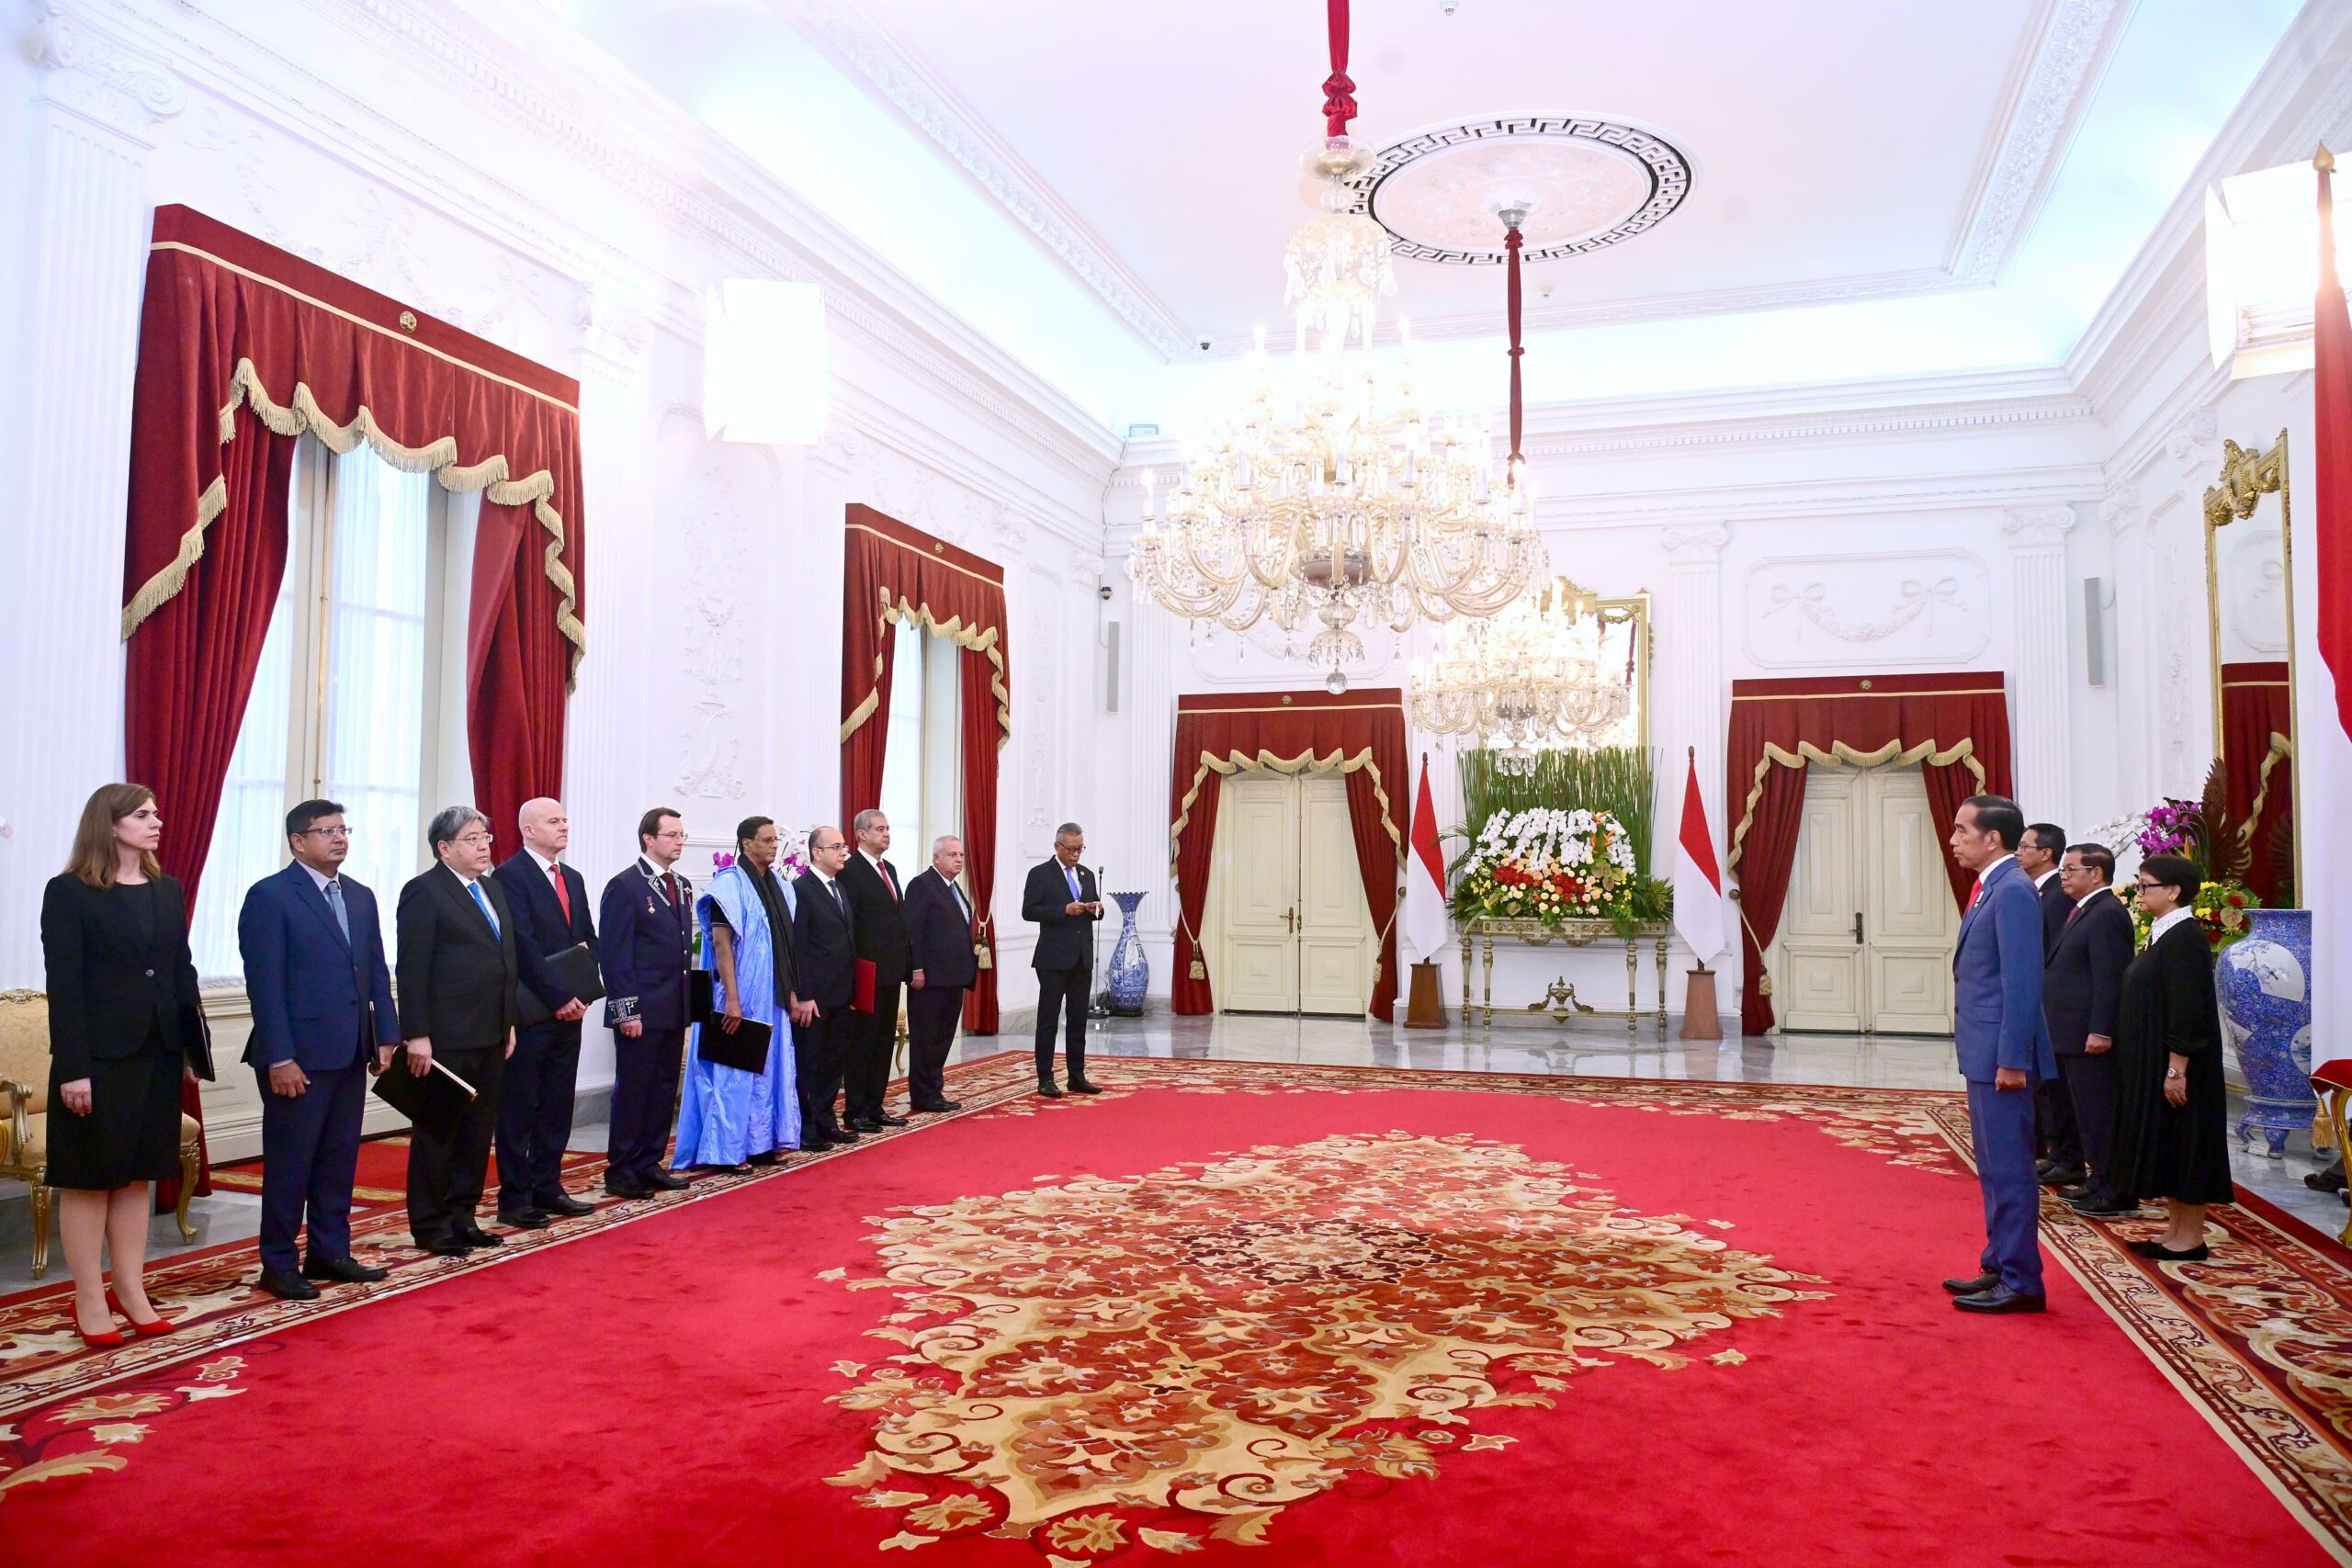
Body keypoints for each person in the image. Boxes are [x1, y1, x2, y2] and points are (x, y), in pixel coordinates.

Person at [40, 784, 213, 1346]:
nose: (156, 822)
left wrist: (191, 1048)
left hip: (158, 1053)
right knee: (92, 1179)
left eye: (156, 813)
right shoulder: (69, 893)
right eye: (142, 815)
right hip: (96, 1059)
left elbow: (180, 972)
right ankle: (89, 1297)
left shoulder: (167, 890)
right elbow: (64, 988)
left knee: (138, 1175)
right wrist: (73, 1068)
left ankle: (131, 1290)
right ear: (110, 826)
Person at [236, 798, 400, 1300]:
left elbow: (375, 970)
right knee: (291, 1164)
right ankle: (279, 1262)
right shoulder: (271, 896)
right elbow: (264, 985)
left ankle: (330, 1251)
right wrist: (280, 1057)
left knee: (337, 1158)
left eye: (343, 829)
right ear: (297, 841)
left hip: (350, 1050)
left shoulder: (360, 896)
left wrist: (386, 1034)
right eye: (325, 830)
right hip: (298, 1056)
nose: (339, 838)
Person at [1940, 794, 2057, 1314]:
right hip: (1985, 1050)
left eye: (1963, 830)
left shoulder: (2012, 891)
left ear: (1993, 838)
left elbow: (2023, 982)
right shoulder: (1994, 887)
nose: (1954, 839)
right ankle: (1999, 1263)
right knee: (1992, 1166)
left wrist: (2013, 1058)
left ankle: (2022, 1280)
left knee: (2010, 1168)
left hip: (2002, 1057)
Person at [395, 807, 520, 1257]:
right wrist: (417, 1034)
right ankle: (430, 1224)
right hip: (445, 1036)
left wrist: (508, 1021)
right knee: (438, 1131)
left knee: (476, 1132)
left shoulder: (492, 888)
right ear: (444, 848)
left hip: (491, 1032)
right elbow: (412, 969)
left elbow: (506, 959)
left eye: (485, 836)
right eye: (472, 838)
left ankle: (464, 1215)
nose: (484, 845)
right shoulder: (423, 892)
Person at [2107, 855, 2233, 1260]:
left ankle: (2191, 1238)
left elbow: (2187, 1010)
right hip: (2160, 1061)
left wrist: (2176, 1069)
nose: (2138, 893)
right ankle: (2174, 1232)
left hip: (2182, 1065)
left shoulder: (2186, 939)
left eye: (2146, 886)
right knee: (2172, 1146)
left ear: (2174, 891)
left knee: (2189, 1145)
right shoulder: (2165, 933)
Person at [490, 797, 597, 1230]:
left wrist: (586, 990)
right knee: (520, 1107)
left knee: (557, 1102)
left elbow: (588, 936)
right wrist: (558, 996)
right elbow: (524, 946)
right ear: (529, 830)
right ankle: (515, 1196)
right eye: (554, 821)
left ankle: (548, 1185)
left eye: (566, 820)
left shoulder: (571, 876)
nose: (564, 827)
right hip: (535, 1010)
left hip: (572, 1009)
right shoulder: (510, 876)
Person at [676, 817, 801, 1169]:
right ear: (746, 844)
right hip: (738, 994)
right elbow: (720, 943)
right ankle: (726, 1151)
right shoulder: (728, 885)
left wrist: (790, 992)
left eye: (776, 839)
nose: (774, 846)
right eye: (766, 840)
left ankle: (761, 1143)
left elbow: (784, 945)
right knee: (734, 1071)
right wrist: (732, 999)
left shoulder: (779, 885)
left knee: (768, 1069)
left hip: (771, 995)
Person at [597, 807, 695, 1199]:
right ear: (648, 839)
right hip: (641, 1009)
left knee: (662, 1086)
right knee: (634, 1089)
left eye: (682, 835)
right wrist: (626, 1011)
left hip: (673, 1006)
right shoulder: (625, 886)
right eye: (671, 835)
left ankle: (649, 1161)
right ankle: (621, 1168)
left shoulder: (683, 885)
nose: (679, 841)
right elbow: (615, 956)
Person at [2045, 844, 2136, 1219]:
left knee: (2099, 1116)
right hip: (2071, 1032)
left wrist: (2101, 1029)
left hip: (2089, 1037)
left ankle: (2113, 1190)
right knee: (2084, 1116)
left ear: (2095, 873)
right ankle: (2096, 1183)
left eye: (2070, 869)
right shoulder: (2086, 910)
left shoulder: (2107, 914)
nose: (2063, 876)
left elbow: (2109, 979)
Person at [837, 808, 912, 1132]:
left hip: (890, 970)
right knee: (862, 1041)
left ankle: (875, 1105)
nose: (887, 834)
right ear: (862, 834)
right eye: (880, 829)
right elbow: (849, 924)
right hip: (866, 971)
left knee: (883, 1039)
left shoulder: (889, 868)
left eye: (888, 828)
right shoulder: (850, 871)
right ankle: (855, 1110)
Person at [2018, 821, 2081, 1186]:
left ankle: (2065, 1154)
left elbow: (2052, 952)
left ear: (2046, 853)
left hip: (2053, 1002)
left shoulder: (2058, 894)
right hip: (2040, 1000)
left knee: (2054, 1085)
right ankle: (2052, 1150)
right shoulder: (2037, 891)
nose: (2018, 852)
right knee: (2043, 1084)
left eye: (2025, 847)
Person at [1023, 822, 1103, 1098]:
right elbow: (1028, 911)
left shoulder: (1087, 874)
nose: (1076, 854)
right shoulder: (1040, 874)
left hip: (1082, 957)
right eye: (1071, 849)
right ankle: (1045, 1077)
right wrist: (1063, 910)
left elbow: (1092, 908)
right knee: (1048, 1019)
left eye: (1080, 849)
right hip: (1053, 958)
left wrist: (1095, 909)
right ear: (1057, 847)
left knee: (1078, 1019)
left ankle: (1076, 1075)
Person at [791, 826, 859, 1147]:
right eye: (836, 846)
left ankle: (827, 1121)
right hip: (814, 997)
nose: (843, 851)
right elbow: (799, 947)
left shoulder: (839, 887)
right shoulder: (801, 889)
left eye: (844, 845)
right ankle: (807, 1128)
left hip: (841, 993)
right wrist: (803, 995)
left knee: (834, 1062)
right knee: (811, 1064)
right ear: (817, 853)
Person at [903, 834, 976, 1114]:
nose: (959, 859)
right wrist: (916, 967)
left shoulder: (954, 888)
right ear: (936, 858)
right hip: (930, 979)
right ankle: (922, 1094)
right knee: (926, 1038)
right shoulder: (922, 885)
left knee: (943, 1038)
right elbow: (914, 931)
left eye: (960, 855)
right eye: (952, 855)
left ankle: (934, 1090)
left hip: (953, 978)